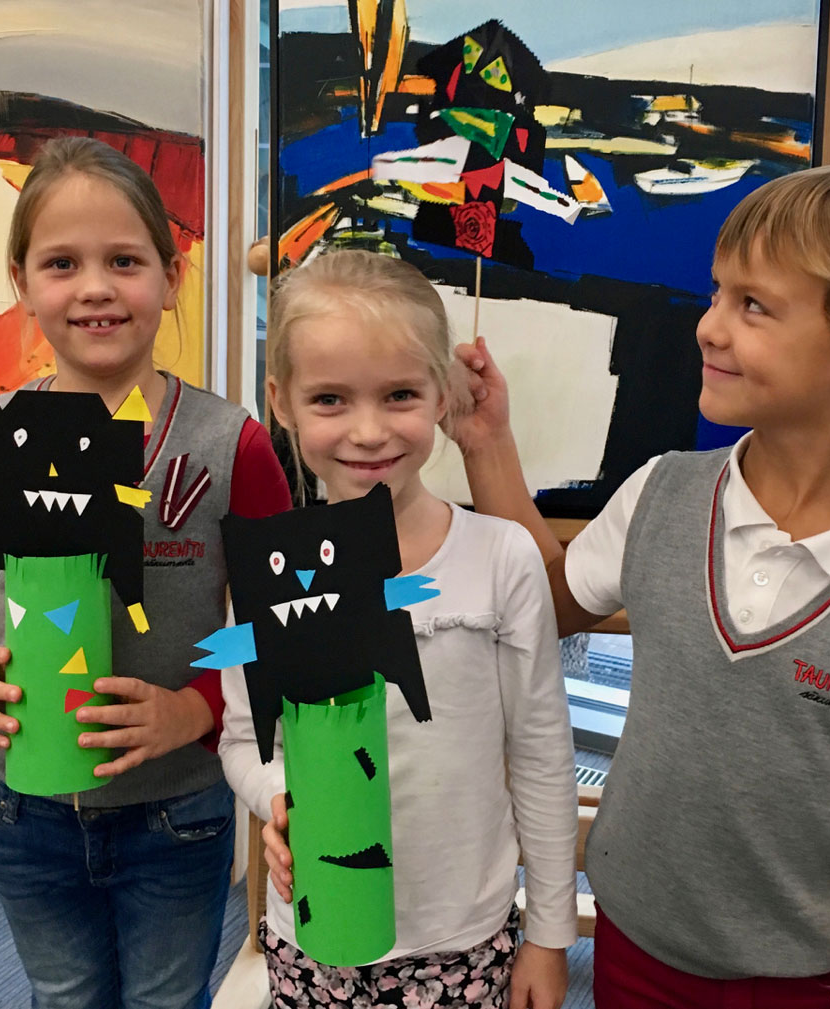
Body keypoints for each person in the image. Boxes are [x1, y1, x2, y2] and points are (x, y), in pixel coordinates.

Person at [453, 162, 830, 1007]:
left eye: (753, 306)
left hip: (813, 982)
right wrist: (488, 444)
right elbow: (543, 601)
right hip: (633, 948)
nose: (707, 327)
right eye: (716, 293)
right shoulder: (659, 493)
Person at [0, 136, 290, 1009]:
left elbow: (277, 627)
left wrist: (195, 708)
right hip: (23, 808)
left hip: (175, 809)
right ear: (21, 281)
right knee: (64, 996)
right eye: (62, 263)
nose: (94, 287)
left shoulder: (230, 445)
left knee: (166, 999)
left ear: (172, 275)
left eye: (124, 260)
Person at [218, 249, 578, 1009]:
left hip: (463, 937)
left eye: (400, 395)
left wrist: (551, 933)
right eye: (330, 399)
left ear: (443, 393)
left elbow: (543, 757)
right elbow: (243, 740)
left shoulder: (501, 558)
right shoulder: (267, 574)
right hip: (314, 929)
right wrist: (279, 795)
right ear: (281, 401)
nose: (369, 430)